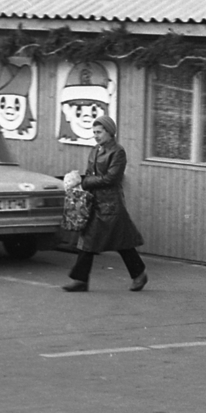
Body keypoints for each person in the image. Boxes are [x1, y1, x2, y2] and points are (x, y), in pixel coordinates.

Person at [63, 114, 148, 292]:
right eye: (94, 132)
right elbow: (90, 172)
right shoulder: (95, 150)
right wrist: (79, 179)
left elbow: (112, 178)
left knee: (119, 242)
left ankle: (138, 274)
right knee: (97, 241)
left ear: (110, 132)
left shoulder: (118, 152)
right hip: (96, 202)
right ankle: (82, 279)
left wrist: (85, 182)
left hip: (111, 204)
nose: (96, 135)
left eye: (99, 132)